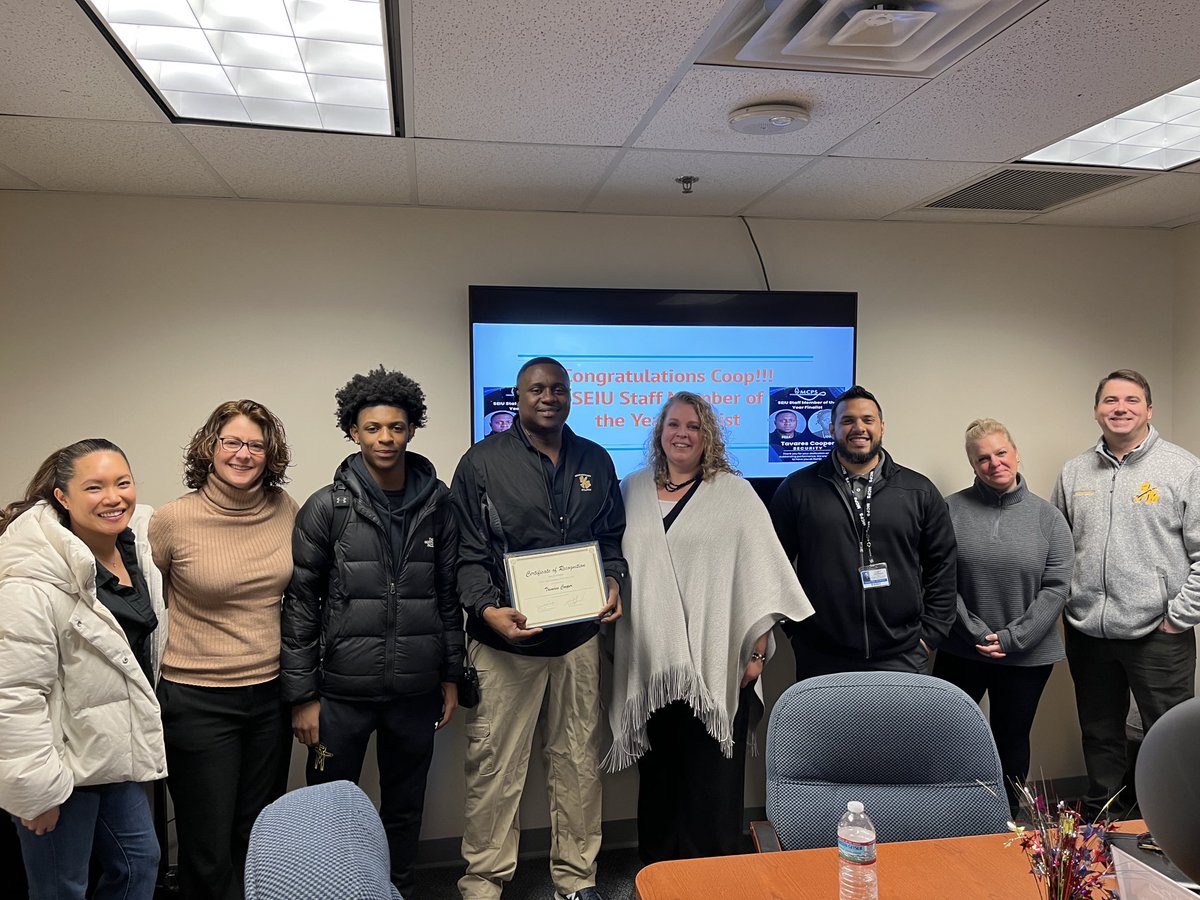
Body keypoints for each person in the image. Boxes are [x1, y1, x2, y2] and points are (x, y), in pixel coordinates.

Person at [605, 392, 813, 863]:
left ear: (708, 437)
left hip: (716, 659)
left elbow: (763, 576)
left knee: (713, 779)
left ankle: (713, 878)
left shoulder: (734, 493)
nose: (683, 434)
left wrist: (757, 653)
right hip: (650, 660)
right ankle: (658, 876)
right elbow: (613, 560)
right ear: (660, 432)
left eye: (694, 427)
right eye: (674, 424)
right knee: (658, 778)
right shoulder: (631, 489)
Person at [282, 366, 463, 897]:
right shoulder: (326, 507)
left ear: (411, 429)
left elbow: (448, 597)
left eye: (397, 427)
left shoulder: (438, 504)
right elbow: (300, 607)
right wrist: (302, 697)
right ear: (353, 432)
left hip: (415, 690)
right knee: (328, 809)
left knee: (405, 809)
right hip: (340, 694)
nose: (386, 438)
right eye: (373, 428)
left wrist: (451, 677)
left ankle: (397, 888)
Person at [451, 356, 627, 900]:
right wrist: (485, 610)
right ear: (518, 397)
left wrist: (614, 581)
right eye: (536, 390)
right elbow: (467, 553)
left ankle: (576, 881)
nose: (548, 397)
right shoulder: (481, 463)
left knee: (577, 763)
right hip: (505, 644)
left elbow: (610, 538)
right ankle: (483, 883)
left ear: (569, 395)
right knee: (495, 769)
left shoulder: (595, 459)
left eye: (558, 389)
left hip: (576, 641)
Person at [0, 439, 166, 900]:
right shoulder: (31, 578)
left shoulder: (138, 548)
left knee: (139, 865)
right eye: (94, 487)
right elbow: (13, 693)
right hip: (59, 762)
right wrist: (36, 792)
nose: (113, 497)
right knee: (62, 888)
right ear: (62, 497)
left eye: (122, 483)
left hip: (110, 753)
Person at [149, 401, 297, 900]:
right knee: (206, 844)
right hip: (197, 699)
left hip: (270, 697)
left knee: (257, 833)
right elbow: (145, 599)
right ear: (210, 447)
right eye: (232, 441)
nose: (243, 453)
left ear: (269, 453)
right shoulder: (172, 520)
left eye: (256, 444)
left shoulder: (286, 509)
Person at [1052, 369, 1199, 817]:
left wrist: (1180, 615)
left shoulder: (1183, 468)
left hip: (1159, 634)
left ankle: (1174, 825)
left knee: (1169, 735)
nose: (1120, 408)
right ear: (1097, 411)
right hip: (1089, 632)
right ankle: (1105, 815)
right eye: (1110, 400)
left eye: (1132, 400)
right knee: (1100, 733)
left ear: (1149, 410)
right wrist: (1069, 605)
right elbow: (1058, 549)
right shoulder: (1075, 470)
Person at [931, 419, 1073, 815]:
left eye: (1000, 453)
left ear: (1015, 452)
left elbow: (1057, 586)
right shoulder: (950, 510)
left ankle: (1006, 820)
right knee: (944, 736)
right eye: (983, 458)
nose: (994, 463)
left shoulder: (1049, 518)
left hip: (1026, 657)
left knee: (1011, 738)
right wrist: (974, 630)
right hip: (962, 647)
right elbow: (940, 578)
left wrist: (1013, 639)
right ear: (972, 465)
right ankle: (946, 813)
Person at [769, 385, 957, 679]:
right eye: (848, 421)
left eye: (868, 420)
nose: (859, 428)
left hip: (903, 654)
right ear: (831, 428)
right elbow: (773, 567)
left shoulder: (919, 490)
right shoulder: (797, 490)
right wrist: (796, 629)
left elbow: (943, 566)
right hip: (822, 656)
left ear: (882, 426)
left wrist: (929, 636)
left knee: (898, 727)